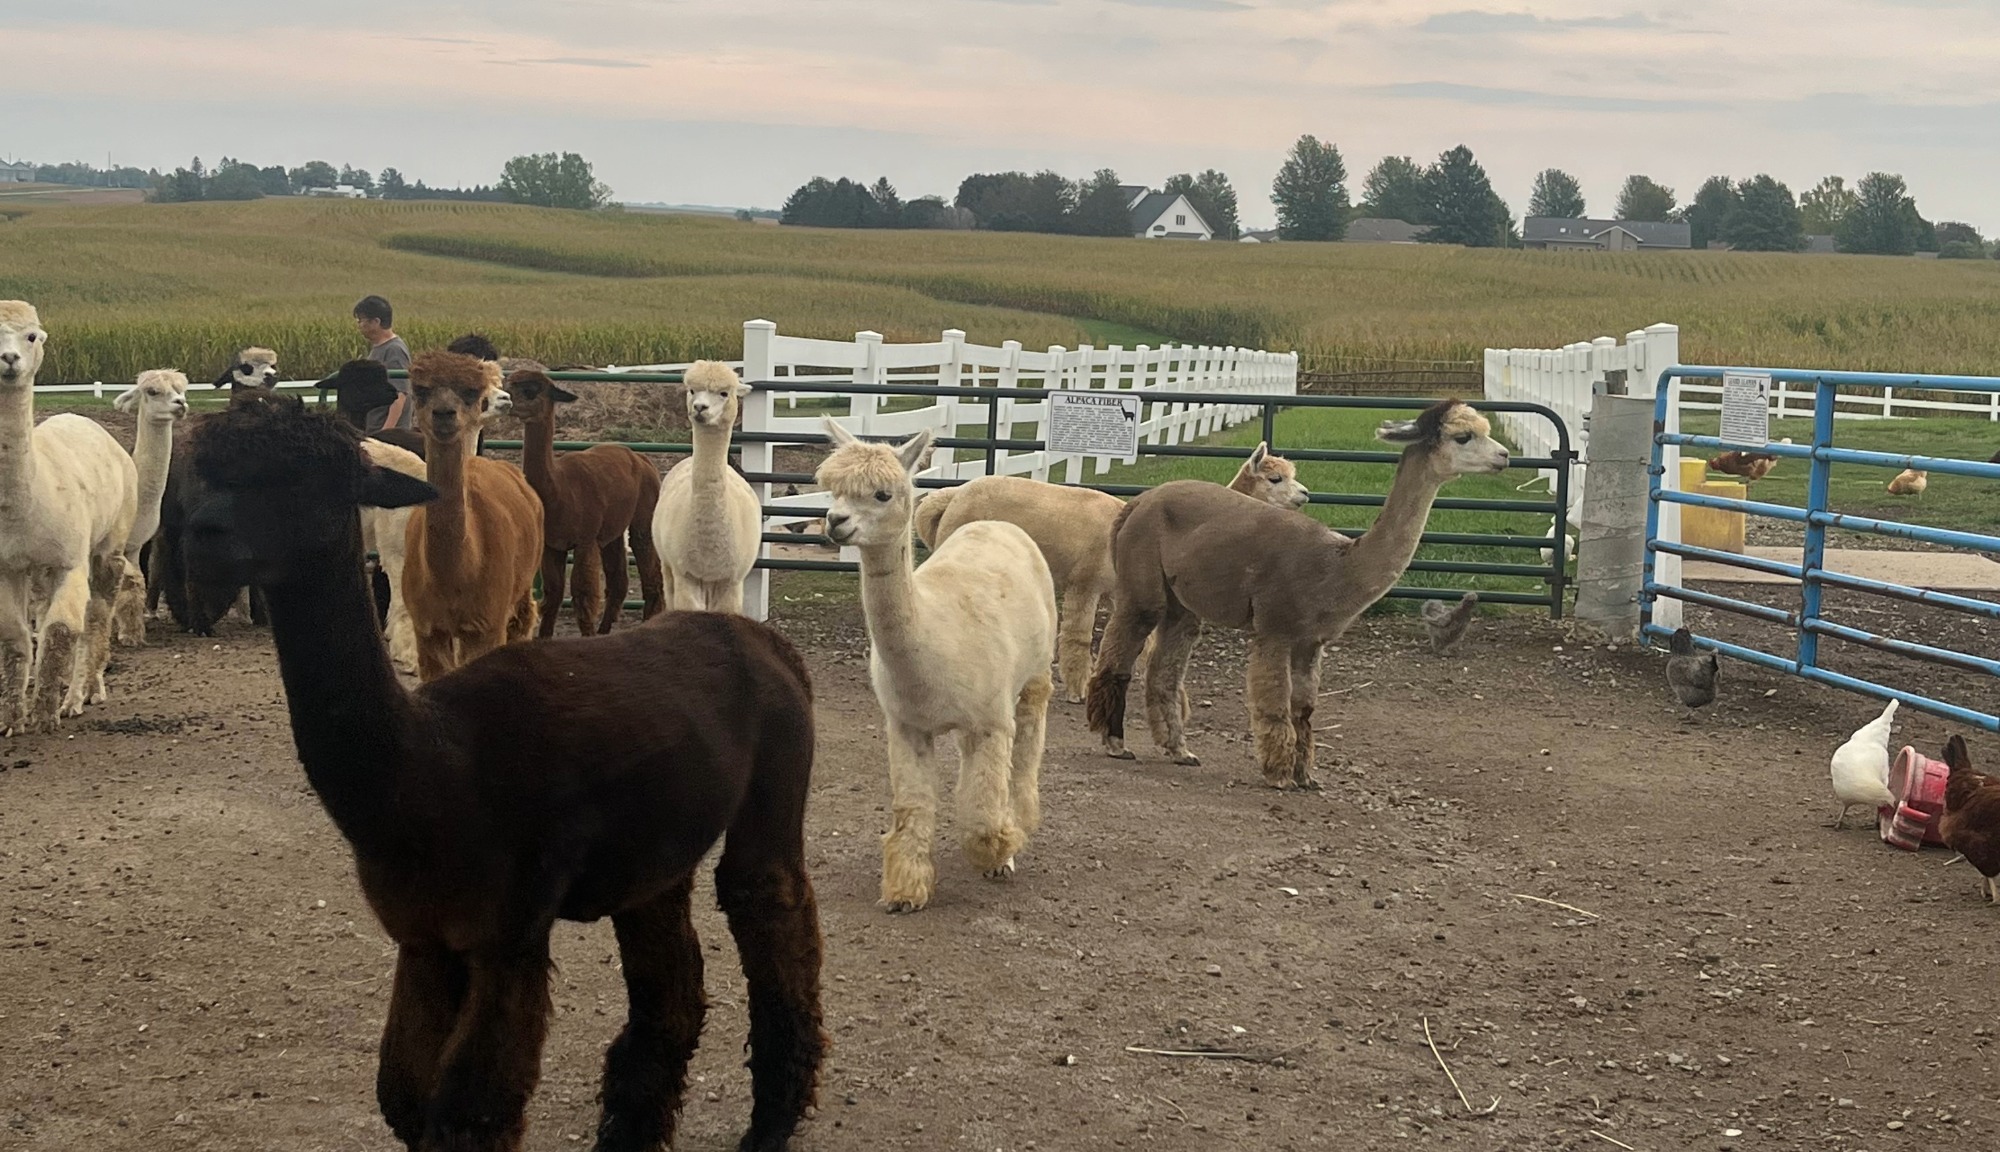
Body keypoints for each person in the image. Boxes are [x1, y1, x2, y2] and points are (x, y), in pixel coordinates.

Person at [353, 295, 412, 431]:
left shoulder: (394, 350)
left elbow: (399, 396)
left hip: (387, 433)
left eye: (361, 320)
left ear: (376, 322)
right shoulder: (378, 347)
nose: (359, 325)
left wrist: (386, 431)